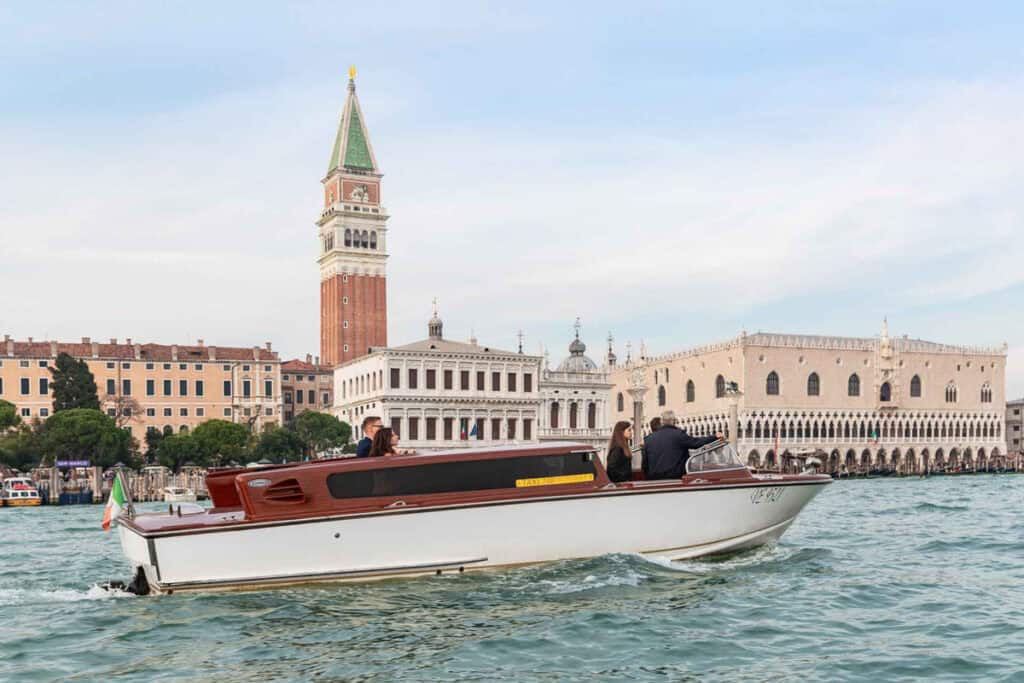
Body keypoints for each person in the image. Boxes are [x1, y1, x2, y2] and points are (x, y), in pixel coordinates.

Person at [644, 410, 723, 479]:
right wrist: (715, 436)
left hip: (653, 479)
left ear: (662, 422)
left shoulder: (648, 439)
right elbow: (696, 443)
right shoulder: (678, 435)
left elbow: (645, 464)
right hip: (675, 478)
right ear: (674, 421)